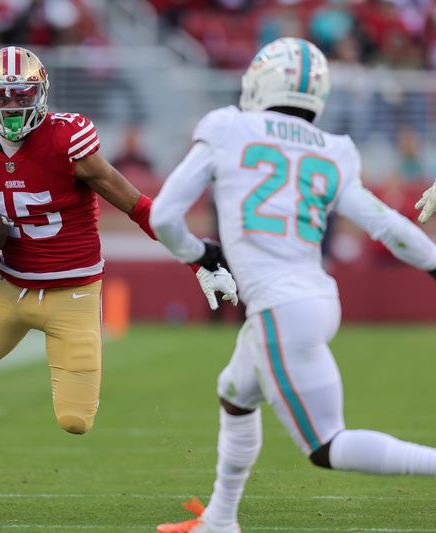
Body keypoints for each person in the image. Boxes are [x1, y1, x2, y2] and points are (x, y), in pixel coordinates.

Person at [0, 46, 237, 515]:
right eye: (3, 96)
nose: (13, 106)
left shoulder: (68, 140)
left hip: (74, 293)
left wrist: (199, 261)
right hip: (9, 289)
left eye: (22, 95)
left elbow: (138, 206)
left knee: (75, 420)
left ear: (41, 94)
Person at [150, 38, 436, 533]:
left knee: (326, 445)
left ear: (260, 81)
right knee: (235, 392)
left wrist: (198, 254)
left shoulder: (227, 127)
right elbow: (387, 225)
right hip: (315, 298)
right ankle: (220, 519)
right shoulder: (333, 148)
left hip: (279, 307)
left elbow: (163, 217)